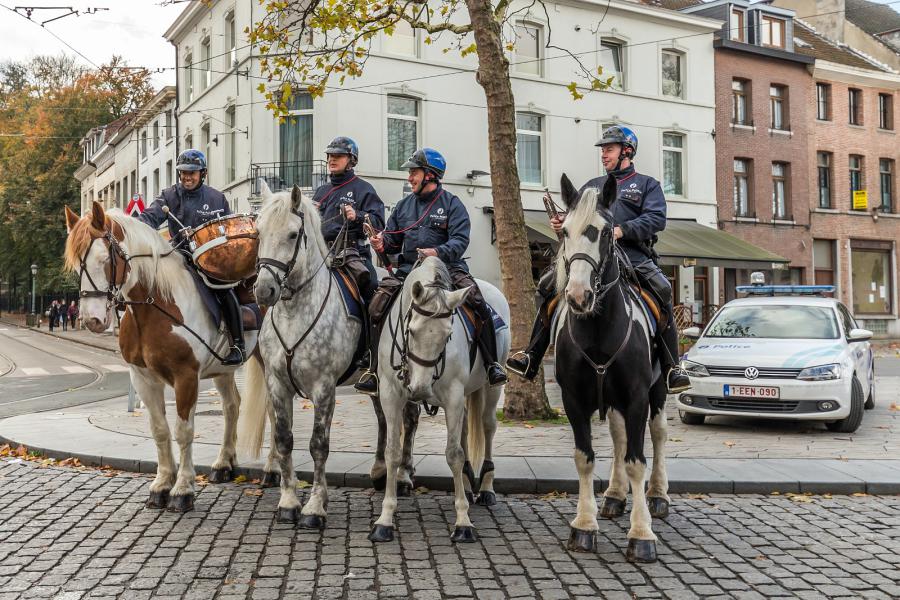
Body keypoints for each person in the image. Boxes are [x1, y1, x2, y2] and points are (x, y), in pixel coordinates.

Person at [506, 125, 691, 394]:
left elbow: (656, 219)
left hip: (634, 255)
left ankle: (672, 368)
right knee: (547, 286)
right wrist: (563, 224)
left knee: (662, 289)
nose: (604, 155)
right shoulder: (591, 186)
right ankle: (531, 355)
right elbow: (576, 219)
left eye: (609, 149)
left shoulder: (647, 185)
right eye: (603, 150)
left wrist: (622, 230)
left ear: (627, 151)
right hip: (593, 257)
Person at [354, 148, 508, 396]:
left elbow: (460, 241)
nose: (409, 178)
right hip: (408, 271)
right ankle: (372, 368)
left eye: (414, 172)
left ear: (431, 175)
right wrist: (382, 244)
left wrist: (436, 252)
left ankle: (492, 365)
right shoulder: (403, 207)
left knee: (478, 301)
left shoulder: (452, 205)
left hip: (447, 271)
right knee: (376, 306)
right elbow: (393, 242)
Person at [137, 149, 245, 366]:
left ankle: (238, 345)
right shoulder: (169, 196)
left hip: (210, 262)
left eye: (192, 173)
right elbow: (150, 217)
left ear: (203, 173)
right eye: (183, 172)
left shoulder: (217, 198)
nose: (187, 176)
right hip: (178, 258)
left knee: (226, 291)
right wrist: (134, 225)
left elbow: (228, 231)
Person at [312, 136, 385, 303]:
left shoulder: (363, 188)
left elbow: (379, 222)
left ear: (351, 160)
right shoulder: (321, 191)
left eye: (338, 156)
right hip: (320, 254)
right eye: (330, 156)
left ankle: (371, 328)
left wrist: (357, 215)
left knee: (371, 286)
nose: (332, 159)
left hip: (353, 254)